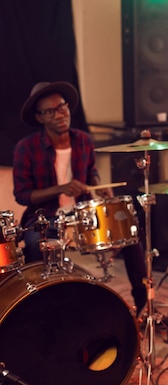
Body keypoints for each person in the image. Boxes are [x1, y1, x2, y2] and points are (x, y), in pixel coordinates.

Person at [13, 81, 148, 316]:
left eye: (62, 107)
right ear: (40, 117)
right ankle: (44, 310)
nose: (60, 114)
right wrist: (61, 188)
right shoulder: (26, 148)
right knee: (35, 244)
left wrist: (99, 186)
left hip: (82, 216)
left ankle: (143, 303)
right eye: (50, 111)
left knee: (130, 230)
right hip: (45, 218)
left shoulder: (83, 140)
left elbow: (92, 171)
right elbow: (23, 194)